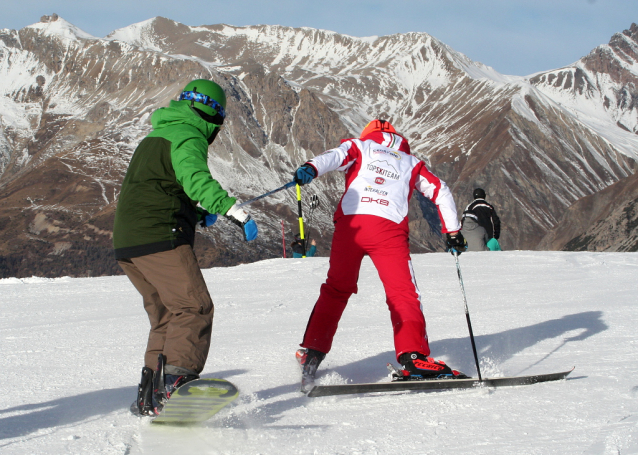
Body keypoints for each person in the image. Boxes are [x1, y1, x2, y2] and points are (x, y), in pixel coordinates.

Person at [113, 79, 259, 416]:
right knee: (194, 307)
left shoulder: (156, 135)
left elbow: (158, 187)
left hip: (128, 242)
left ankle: (149, 395)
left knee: (165, 316)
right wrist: (230, 208)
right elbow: (194, 178)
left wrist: (194, 214)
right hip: (160, 237)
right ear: (214, 115)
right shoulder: (188, 134)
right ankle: (176, 384)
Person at [292, 119, 468, 389]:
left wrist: (310, 168)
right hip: (388, 229)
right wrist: (453, 232)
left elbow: (335, 156)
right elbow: (440, 190)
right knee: (402, 292)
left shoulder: (360, 146)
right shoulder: (411, 161)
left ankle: (311, 353)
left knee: (337, 288)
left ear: (369, 135)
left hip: (351, 225)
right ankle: (414, 356)